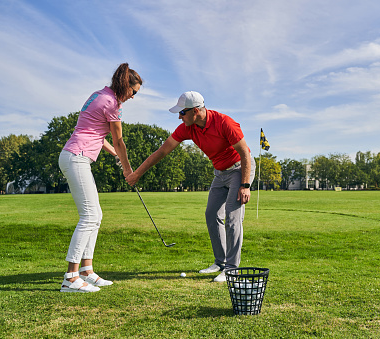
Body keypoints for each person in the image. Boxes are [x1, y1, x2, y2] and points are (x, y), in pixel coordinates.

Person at [126, 91, 255, 282]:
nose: (179, 116)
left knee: (232, 217)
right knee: (211, 214)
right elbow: (162, 151)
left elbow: (244, 152)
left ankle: (232, 269)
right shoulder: (188, 127)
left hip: (239, 169)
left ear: (196, 111)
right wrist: (137, 173)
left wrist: (245, 185)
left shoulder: (224, 122)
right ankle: (220, 262)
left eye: (182, 113)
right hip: (219, 173)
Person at [59, 63, 142, 292]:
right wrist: (128, 171)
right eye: (133, 92)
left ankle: (86, 271)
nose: (133, 97)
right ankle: (71, 277)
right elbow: (119, 140)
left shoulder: (99, 95)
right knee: (89, 216)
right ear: (126, 86)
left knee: (96, 215)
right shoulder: (113, 103)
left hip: (74, 154)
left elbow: (94, 132)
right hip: (77, 156)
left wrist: (114, 153)